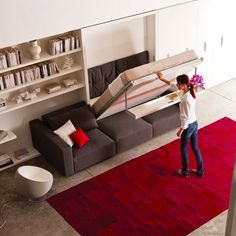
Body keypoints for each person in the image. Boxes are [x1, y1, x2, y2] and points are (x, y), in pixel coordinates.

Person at [156, 71, 204, 177]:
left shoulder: (186, 99)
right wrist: (162, 78)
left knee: (183, 149)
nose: (176, 85)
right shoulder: (190, 91)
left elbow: (185, 117)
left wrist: (181, 130)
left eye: (178, 84)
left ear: (183, 85)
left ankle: (185, 172)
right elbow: (172, 84)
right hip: (195, 124)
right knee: (195, 148)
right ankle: (200, 172)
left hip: (188, 126)